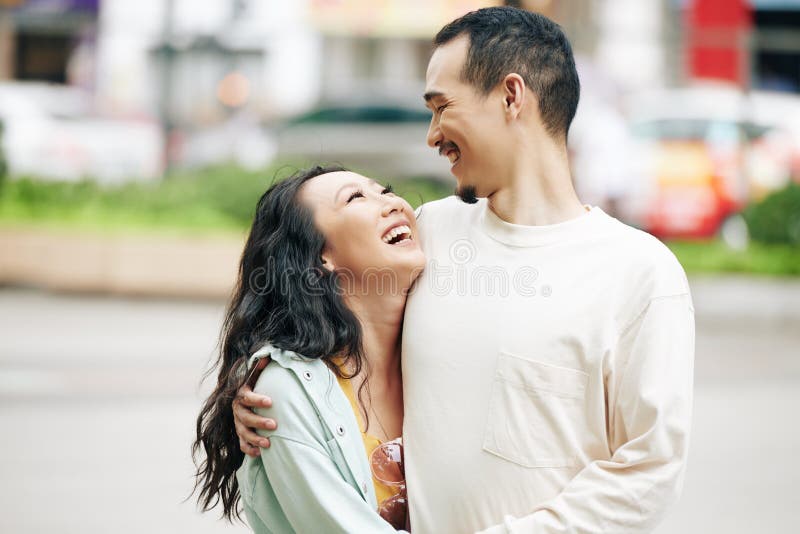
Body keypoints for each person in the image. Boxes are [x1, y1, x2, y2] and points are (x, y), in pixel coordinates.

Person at [234, 7, 695, 533]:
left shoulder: (640, 274)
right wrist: (263, 405)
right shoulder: (429, 236)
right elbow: (329, 326)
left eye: (442, 107)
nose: (432, 135)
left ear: (510, 96)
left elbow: (648, 472)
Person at [193, 165, 424, 532]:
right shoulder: (280, 393)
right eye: (355, 197)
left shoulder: (441, 352)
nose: (393, 203)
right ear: (320, 258)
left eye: (387, 189)